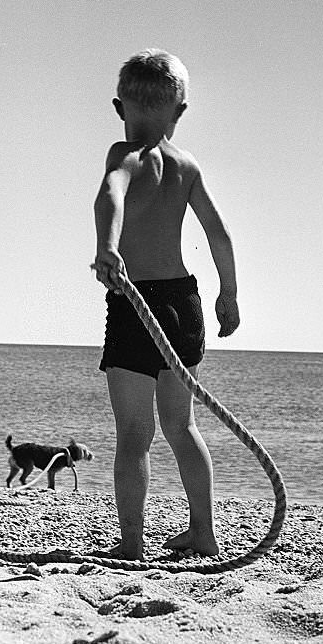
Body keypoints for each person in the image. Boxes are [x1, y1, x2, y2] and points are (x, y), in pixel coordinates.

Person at [92, 49, 240, 561]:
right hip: (183, 301)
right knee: (183, 426)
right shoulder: (188, 165)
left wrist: (108, 245)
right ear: (180, 112)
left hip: (138, 304)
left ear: (120, 108)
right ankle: (205, 533)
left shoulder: (125, 154)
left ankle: (131, 542)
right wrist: (229, 293)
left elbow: (109, 194)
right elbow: (218, 233)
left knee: (134, 433)